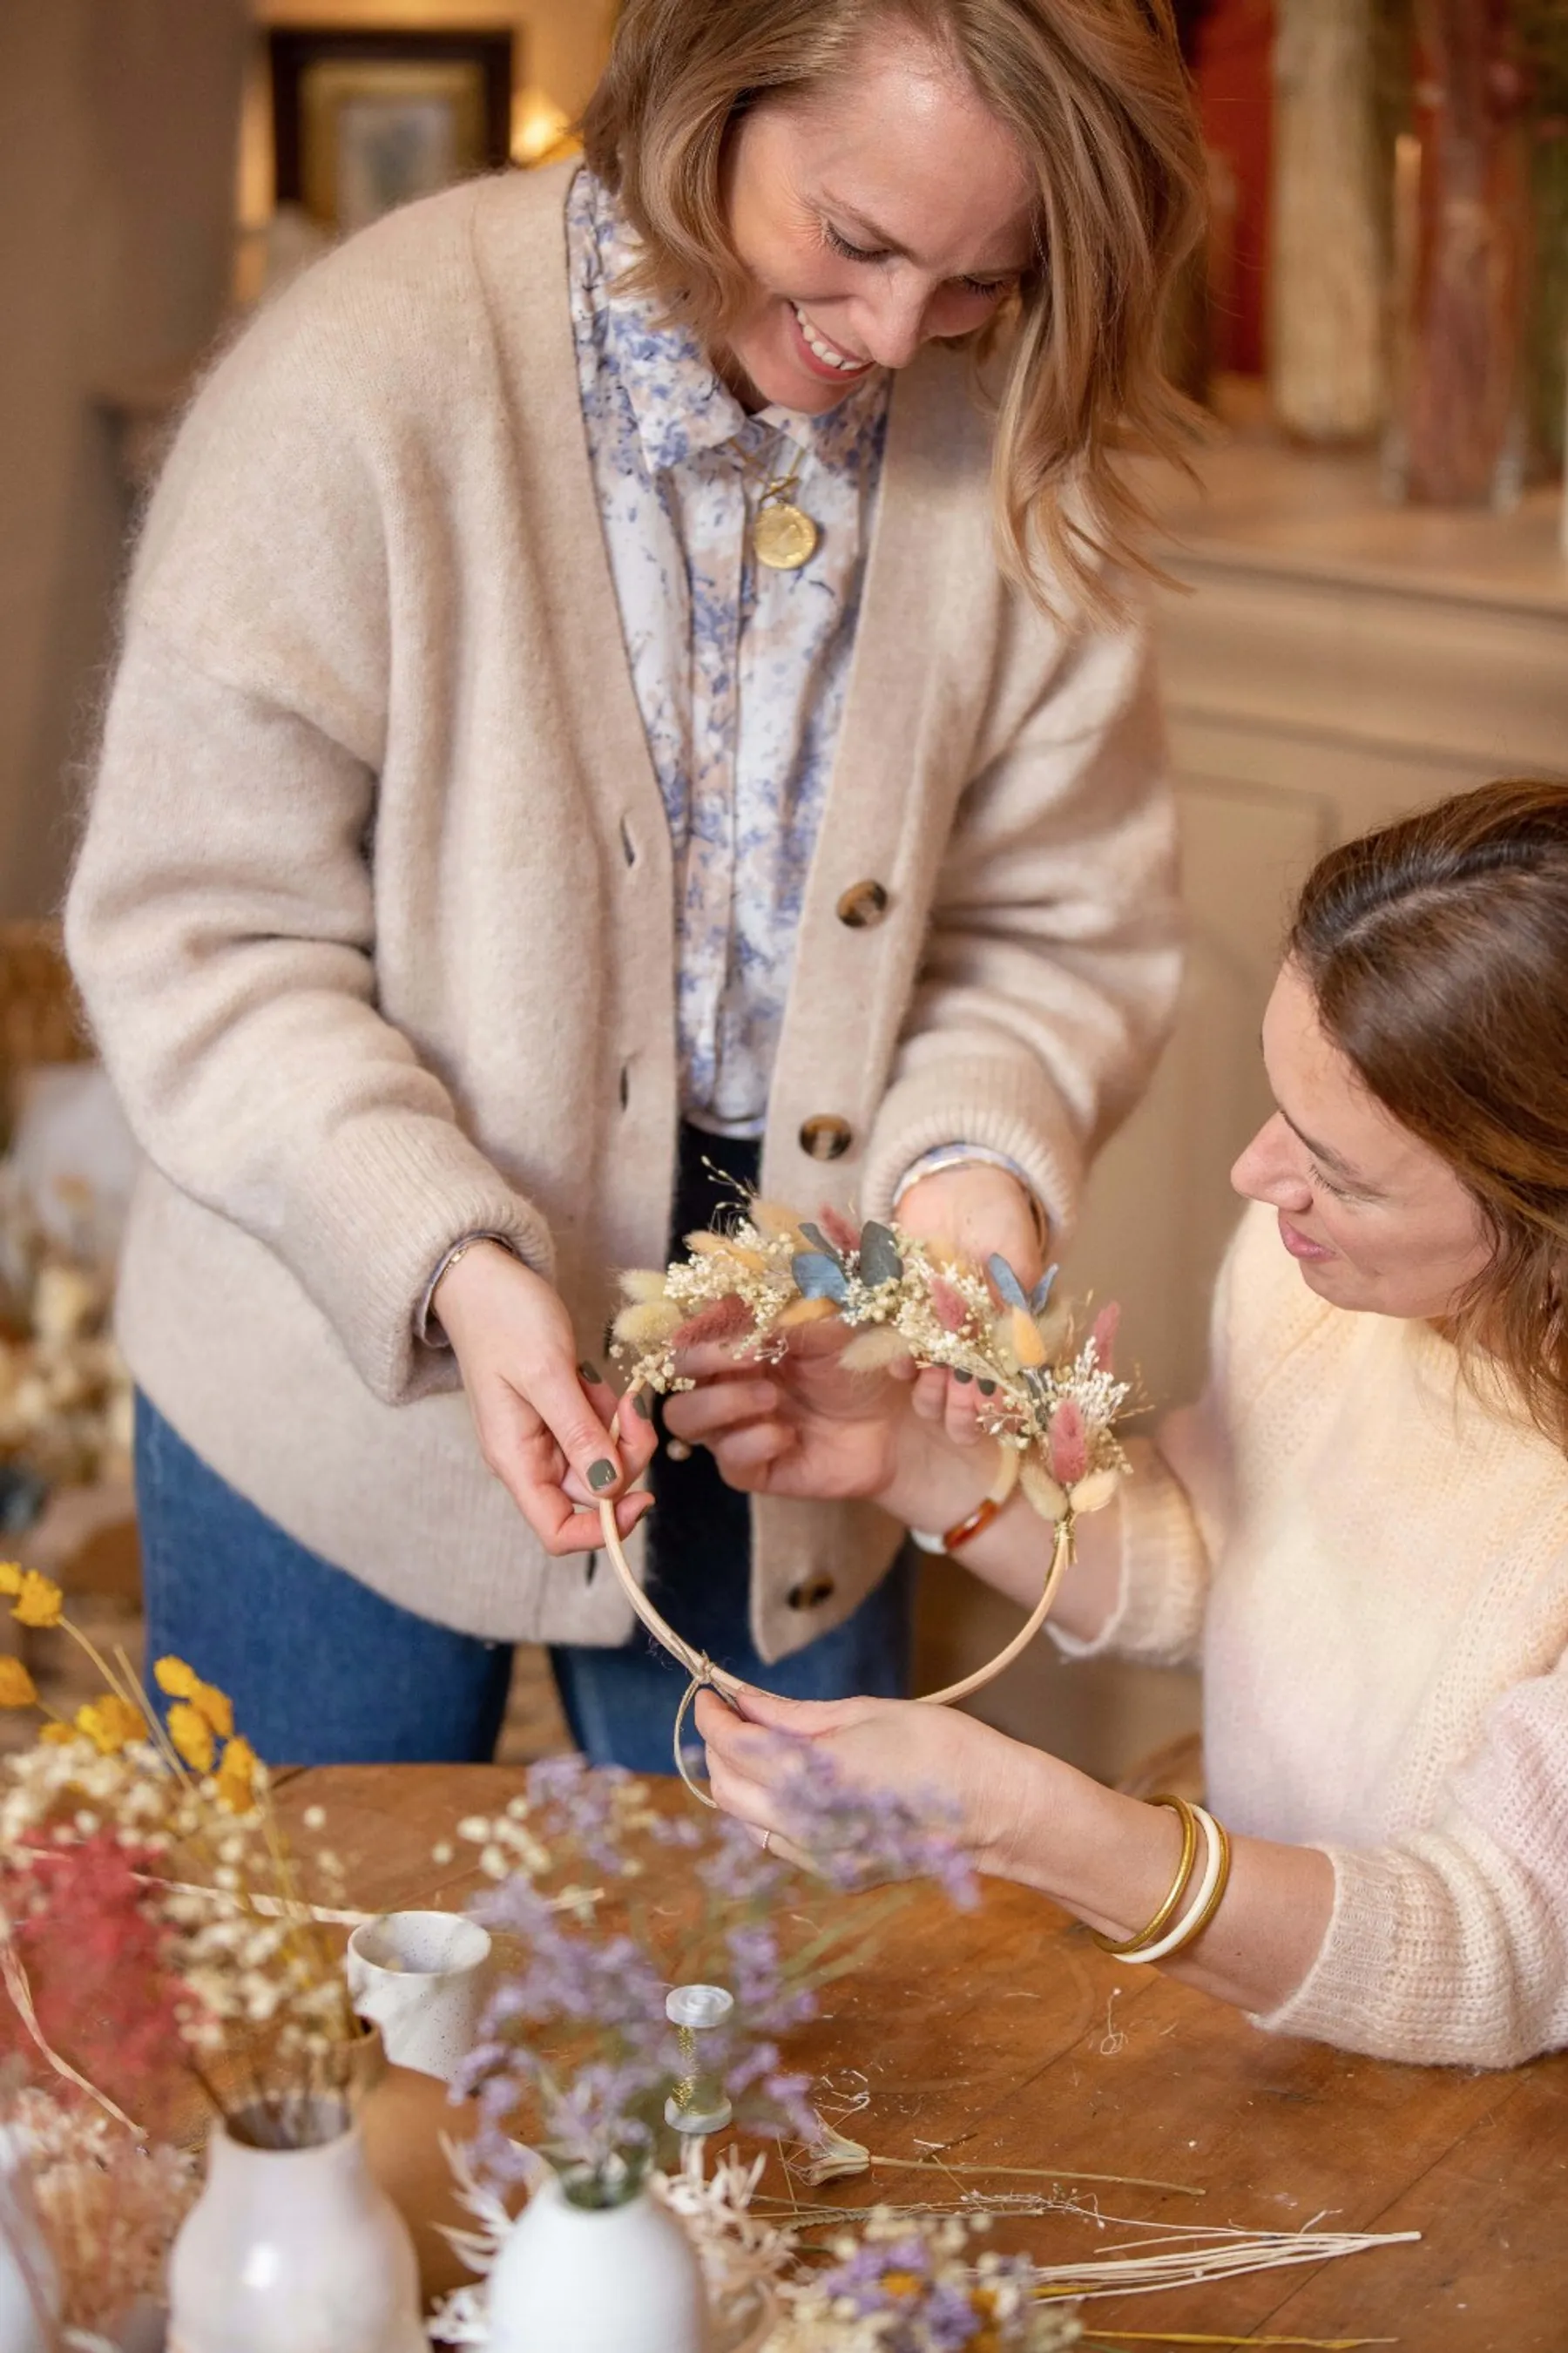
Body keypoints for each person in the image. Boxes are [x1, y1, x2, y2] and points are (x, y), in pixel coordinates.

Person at [64, 0, 1204, 1768]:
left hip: (813, 1365)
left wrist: (974, 1185)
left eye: (984, 278)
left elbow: (1055, 930)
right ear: (709, 93)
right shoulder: (361, 376)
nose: (898, 336)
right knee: (328, 1984)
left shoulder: (1020, 426)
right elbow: (199, 936)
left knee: (779, 2002)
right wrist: (441, 1252)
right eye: (856, 238)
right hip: (334, 1330)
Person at [679, 779, 1568, 2066]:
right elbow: (1226, 1559)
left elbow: (1500, 1949)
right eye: (1284, 1110)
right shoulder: (1315, 1280)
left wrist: (1027, 1822)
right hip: (1294, 2049)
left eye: (1341, 1172)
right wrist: (916, 1459)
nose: (1255, 1178)